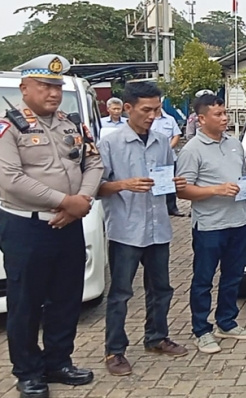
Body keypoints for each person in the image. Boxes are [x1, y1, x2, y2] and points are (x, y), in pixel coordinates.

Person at [0, 54, 103, 398]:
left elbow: (94, 163)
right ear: (24, 88)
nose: (53, 93)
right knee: (25, 303)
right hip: (26, 227)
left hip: (69, 223)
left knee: (66, 299)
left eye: (57, 86)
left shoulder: (71, 124)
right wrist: (65, 201)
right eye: (45, 85)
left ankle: (58, 361)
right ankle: (28, 372)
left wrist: (81, 201)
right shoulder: (8, 128)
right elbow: (11, 180)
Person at [98, 82, 189, 376]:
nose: (152, 115)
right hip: (126, 229)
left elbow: (166, 177)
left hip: (158, 228)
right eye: (146, 110)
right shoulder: (110, 143)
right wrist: (124, 184)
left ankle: (156, 338)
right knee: (121, 293)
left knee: (161, 288)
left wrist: (173, 185)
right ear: (128, 109)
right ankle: (115, 351)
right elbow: (96, 188)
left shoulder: (162, 141)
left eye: (156, 109)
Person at [176, 94, 246, 353]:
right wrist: (216, 190)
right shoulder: (192, 149)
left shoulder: (235, 144)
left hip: (238, 222)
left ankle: (227, 322)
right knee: (204, 279)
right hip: (209, 226)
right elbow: (183, 191)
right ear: (201, 119)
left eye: (225, 113)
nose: (225, 118)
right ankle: (201, 330)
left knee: (233, 276)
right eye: (218, 114)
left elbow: (241, 178)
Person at [151, 108, 185, 217]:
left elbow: (176, 135)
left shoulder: (170, 119)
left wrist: (168, 148)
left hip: (169, 157)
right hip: (151, 158)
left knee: (170, 183)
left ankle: (172, 208)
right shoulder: (148, 119)